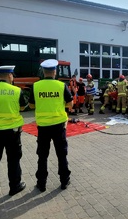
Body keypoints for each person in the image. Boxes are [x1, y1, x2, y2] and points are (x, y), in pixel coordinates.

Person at [28, 59, 73, 192]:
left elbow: (31, 105)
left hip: (43, 127)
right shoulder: (61, 85)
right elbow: (70, 105)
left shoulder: (35, 86)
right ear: (55, 71)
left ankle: (41, 183)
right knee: (61, 154)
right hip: (59, 126)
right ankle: (64, 181)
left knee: (42, 156)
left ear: (43, 71)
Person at [0, 65, 26, 198]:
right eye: (12, 75)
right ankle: (15, 186)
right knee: (13, 160)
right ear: (9, 75)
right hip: (12, 132)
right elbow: (23, 107)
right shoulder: (17, 90)